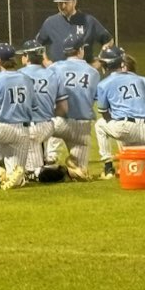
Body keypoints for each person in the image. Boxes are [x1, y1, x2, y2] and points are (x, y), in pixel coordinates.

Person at [94, 47, 145, 179]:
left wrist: (115, 120)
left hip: (127, 128)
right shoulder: (139, 79)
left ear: (105, 65)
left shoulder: (104, 84)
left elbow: (104, 113)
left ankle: (108, 169)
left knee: (100, 125)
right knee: (142, 169)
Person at [47, 33, 100, 180]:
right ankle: (70, 169)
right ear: (80, 50)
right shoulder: (93, 72)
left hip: (58, 123)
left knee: (37, 131)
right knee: (80, 171)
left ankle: (49, 162)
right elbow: (94, 99)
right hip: (82, 127)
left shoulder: (54, 68)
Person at [0, 43, 34, 189]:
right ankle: (12, 172)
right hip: (23, 131)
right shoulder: (27, 79)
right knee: (16, 178)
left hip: (1, 128)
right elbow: (33, 104)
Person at [17, 39, 67, 180]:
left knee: (31, 172)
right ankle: (46, 163)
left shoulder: (19, 75)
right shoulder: (53, 75)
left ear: (26, 57)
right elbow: (63, 108)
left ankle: (54, 172)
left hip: (28, 129)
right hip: (48, 126)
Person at [36, 0, 113, 65]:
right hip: (58, 72)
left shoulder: (88, 20)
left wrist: (99, 62)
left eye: (66, 3)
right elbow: (37, 44)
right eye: (60, 3)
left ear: (74, 2)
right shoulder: (50, 22)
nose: (63, 6)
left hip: (83, 71)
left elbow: (108, 41)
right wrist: (45, 61)